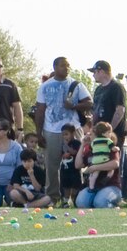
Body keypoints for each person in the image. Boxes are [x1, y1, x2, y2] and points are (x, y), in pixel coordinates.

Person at [33, 57, 90, 202]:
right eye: (63, 65)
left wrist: (74, 106)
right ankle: (53, 196)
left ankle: (76, 197)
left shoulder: (76, 85)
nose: (66, 68)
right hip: (51, 130)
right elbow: (40, 110)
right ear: (55, 67)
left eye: (68, 66)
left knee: (76, 164)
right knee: (52, 165)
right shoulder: (45, 86)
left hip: (73, 128)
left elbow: (89, 103)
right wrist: (39, 133)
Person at [85, 61, 127, 196]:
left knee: (114, 162)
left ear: (101, 71)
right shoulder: (99, 89)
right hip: (98, 134)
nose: (93, 75)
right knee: (99, 160)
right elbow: (94, 112)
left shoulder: (116, 87)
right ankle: (97, 189)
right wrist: (92, 130)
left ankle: (118, 193)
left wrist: (110, 130)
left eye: (94, 72)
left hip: (113, 134)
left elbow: (120, 110)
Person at [74, 121, 123, 208]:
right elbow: (78, 165)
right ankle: (95, 201)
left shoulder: (110, 148)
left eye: (91, 134)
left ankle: (113, 207)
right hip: (93, 186)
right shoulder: (90, 150)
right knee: (81, 203)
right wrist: (82, 145)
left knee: (100, 203)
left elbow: (115, 164)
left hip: (111, 186)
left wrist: (95, 167)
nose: (89, 135)